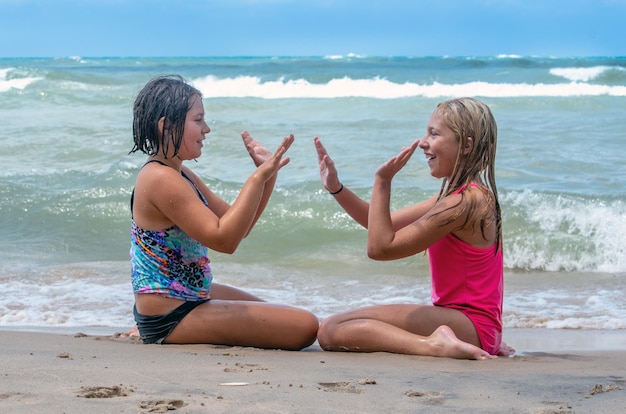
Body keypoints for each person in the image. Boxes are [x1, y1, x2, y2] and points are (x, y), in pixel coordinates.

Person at [314, 97, 514, 359]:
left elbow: (380, 248)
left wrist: (383, 181)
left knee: (331, 330)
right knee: (335, 327)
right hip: (475, 328)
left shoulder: (463, 203)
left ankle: (434, 345)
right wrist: (336, 188)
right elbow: (378, 224)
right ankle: (445, 341)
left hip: (469, 326)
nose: (422, 142)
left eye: (434, 133)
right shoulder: (464, 197)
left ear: (466, 145)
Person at [128, 75, 318, 350]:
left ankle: (145, 324)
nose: (207, 129)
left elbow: (238, 227)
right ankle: (149, 328)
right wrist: (255, 180)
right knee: (305, 326)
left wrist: (267, 176)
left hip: (188, 296)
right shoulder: (160, 178)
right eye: (198, 119)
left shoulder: (179, 173)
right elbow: (224, 241)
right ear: (167, 126)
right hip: (170, 315)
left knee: (285, 315)